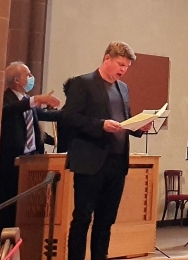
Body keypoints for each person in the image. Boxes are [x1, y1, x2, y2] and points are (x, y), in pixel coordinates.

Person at [60, 41, 153, 260]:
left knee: (106, 220)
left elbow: (125, 120)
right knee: (83, 218)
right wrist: (100, 124)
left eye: (127, 67)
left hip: (117, 163)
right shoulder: (83, 83)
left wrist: (139, 127)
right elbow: (68, 117)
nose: (123, 70)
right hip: (90, 161)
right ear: (106, 59)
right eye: (120, 64)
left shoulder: (123, 88)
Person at [0, 62, 62, 234]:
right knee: (8, 210)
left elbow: (40, 118)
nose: (31, 78)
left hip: (31, 162)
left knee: (26, 210)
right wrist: (36, 99)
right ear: (17, 80)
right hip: (11, 164)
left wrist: (72, 113)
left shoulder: (25, 101)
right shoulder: (5, 99)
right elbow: (10, 111)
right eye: (28, 74)